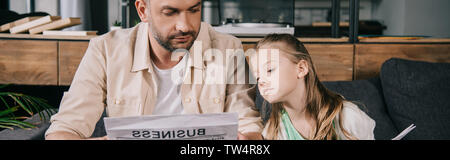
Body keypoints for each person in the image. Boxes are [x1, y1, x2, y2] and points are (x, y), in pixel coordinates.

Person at [45, 0, 263, 140]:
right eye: (170, 12)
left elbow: (248, 123)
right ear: (143, 11)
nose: (185, 25)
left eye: (194, 10)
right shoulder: (105, 49)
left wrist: (248, 140)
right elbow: (64, 130)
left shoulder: (227, 47)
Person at [248, 34, 375, 140]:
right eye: (257, 77)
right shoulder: (274, 130)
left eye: (269, 70)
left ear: (301, 69)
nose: (261, 81)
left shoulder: (348, 117)